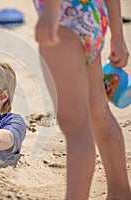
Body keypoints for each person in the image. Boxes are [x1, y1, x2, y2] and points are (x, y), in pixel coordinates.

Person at [33, 0, 131, 199]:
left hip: (64, 17)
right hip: (92, 15)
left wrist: (52, 8)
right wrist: (118, 36)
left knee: (75, 126)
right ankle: (120, 193)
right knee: (98, 112)